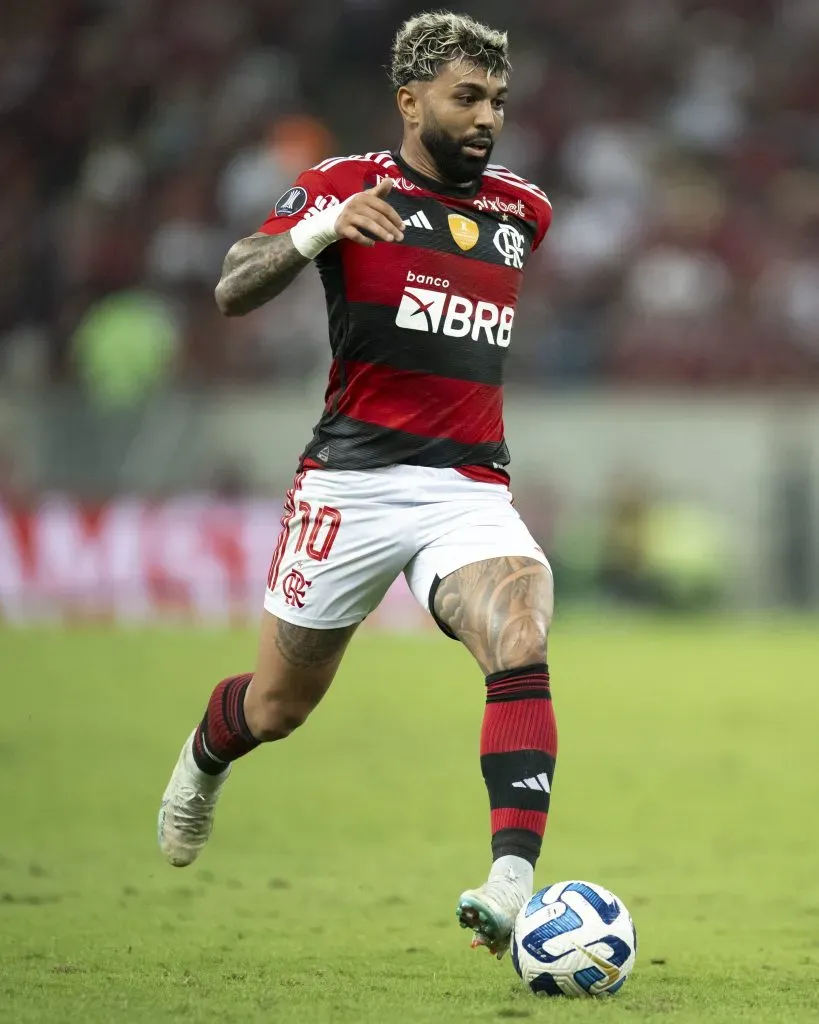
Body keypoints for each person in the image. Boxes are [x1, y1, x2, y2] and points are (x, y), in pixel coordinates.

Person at [158, 11, 556, 959]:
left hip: (467, 487)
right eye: (466, 98)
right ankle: (204, 758)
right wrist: (320, 232)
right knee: (276, 708)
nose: (486, 118)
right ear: (409, 101)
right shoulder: (343, 185)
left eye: (497, 101)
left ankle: (509, 882)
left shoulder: (522, 211)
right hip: (350, 486)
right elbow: (232, 286)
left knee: (519, 631)